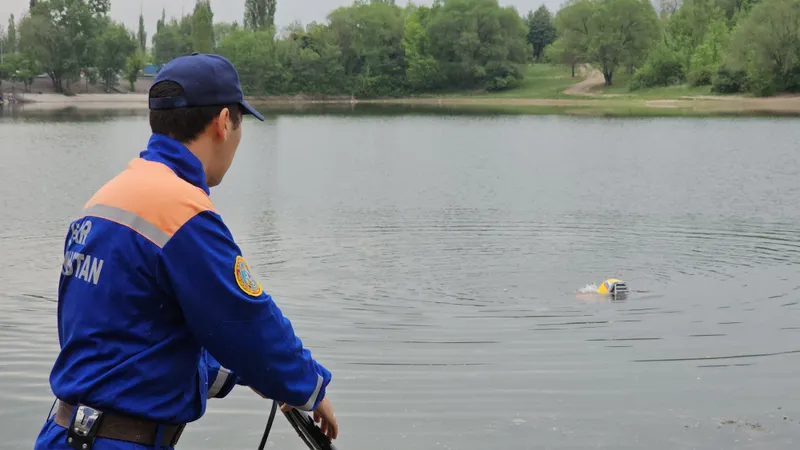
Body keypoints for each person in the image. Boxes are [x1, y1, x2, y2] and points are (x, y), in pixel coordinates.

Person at [34, 53, 338, 450]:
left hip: (65, 432)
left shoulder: (107, 199)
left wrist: (246, 376)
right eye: (241, 123)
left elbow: (133, 340)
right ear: (224, 122)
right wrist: (309, 388)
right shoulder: (180, 212)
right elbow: (248, 321)